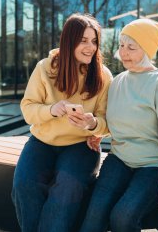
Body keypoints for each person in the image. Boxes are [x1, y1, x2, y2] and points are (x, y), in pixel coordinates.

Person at [80, 19, 158, 232]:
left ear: (147, 50)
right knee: (93, 218)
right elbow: (115, 122)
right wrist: (98, 133)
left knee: (122, 218)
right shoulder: (117, 82)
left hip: (152, 166)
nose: (124, 52)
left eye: (131, 47)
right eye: (121, 46)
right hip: (119, 159)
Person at [12, 13, 113, 232]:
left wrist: (92, 124)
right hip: (42, 142)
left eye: (94, 41)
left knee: (67, 188)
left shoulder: (103, 76)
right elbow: (28, 109)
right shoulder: (44, 68)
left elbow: (109, 122)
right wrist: (51, 110)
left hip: (81, 146)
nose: (90, 47)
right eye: (83, 40)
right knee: (23, 185)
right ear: (69, 41)